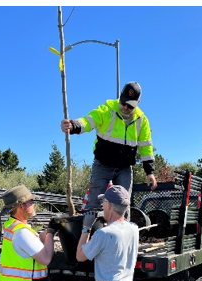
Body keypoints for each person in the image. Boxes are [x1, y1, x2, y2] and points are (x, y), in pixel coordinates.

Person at [61, 81, 157, 231]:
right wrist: (73, 125)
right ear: (120, 97)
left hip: (125, 168)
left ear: (138, 103)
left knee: (123, 204)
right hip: (102, 165)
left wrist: (150, 172)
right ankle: (87, 240)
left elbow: (146, 147)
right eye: (124, 102)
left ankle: (121, 239)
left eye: (130, 105)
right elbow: (88, 121)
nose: (126, 107)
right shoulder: (106, 110)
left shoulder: (142, 120)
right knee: (93, 203)